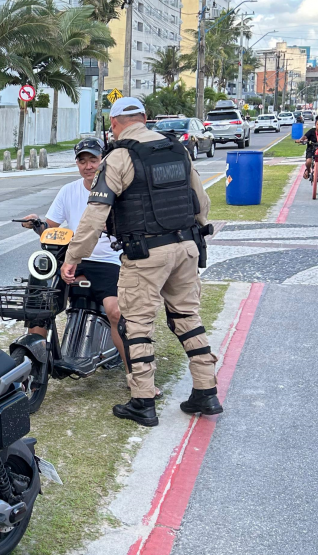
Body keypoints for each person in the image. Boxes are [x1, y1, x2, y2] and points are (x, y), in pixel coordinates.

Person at [61, 97, 221, 428]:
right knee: (187, 317)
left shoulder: (119, 156)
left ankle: (143, 401)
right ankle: (206, 391)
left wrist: (73, 256)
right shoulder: (178, 150)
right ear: (145, 119)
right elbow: (200, 201)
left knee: (137, 325)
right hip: (186, 245)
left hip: (145, 254)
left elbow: (94, 216)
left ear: (115, 124)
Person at [19, 138, 127, 370]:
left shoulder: (118, 190)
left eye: (93, 160)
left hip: (107, 261)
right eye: (82, 161)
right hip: (73, 260)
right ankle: (35, 364)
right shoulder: (68, 191)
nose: (88, 166)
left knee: (116, 311)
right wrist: (36, 223)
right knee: (39, 300)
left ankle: (136, 374)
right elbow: (50, 230)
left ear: (103, 161)